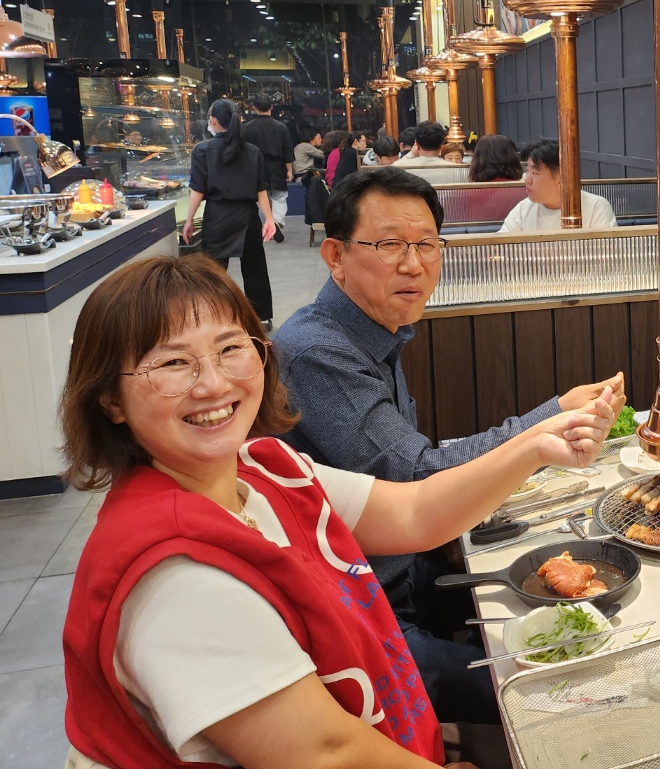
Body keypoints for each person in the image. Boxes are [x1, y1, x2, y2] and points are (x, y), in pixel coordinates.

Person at [59, 254, 611, 769]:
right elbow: (327, 753)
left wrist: (538, 444)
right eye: (173, 363)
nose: (214, 383)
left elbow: (416, 513)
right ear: (110, 399)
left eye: (230, 348)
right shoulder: (176, 576)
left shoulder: (264, 467)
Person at [274, 168, 624, 723]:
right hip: (360, 614)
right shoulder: (318, 352)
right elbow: (417, 476)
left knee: (585, 606)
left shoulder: (371, 329)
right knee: (565, 695)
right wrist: (546, 423)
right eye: (389, 245)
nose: (413, 264)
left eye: (426, 245)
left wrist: (553, 415)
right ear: (335, 255)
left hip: (403, 571)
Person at [183, 99, 277, 327]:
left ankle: (214, 316)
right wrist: (269, 219)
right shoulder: (252, 151)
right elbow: (261, 189)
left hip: (217, 217)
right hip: (248, 217)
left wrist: (189, 220)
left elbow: (197, 189)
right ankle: (261, 317)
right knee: (255, 268)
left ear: (213, 121)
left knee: (213, 271)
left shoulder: (202, 150)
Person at [499, 138, 617, 232]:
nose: (527, 179)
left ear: (562, 177)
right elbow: (500, 248)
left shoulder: (596, 207)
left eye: (535, 173)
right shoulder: (523, 209)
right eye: (527, 171)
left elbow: (607, 252)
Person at [240, 96, 295, 243]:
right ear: (272, 107)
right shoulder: (281, 127)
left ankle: (268, 221)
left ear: (254, 108)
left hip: (255, 165)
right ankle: (276, 221)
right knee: (279, 196)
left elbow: (242, 150)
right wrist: (289, 170)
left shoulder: (246, 128)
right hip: (277, 165)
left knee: (261, 195)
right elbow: (287, 150)